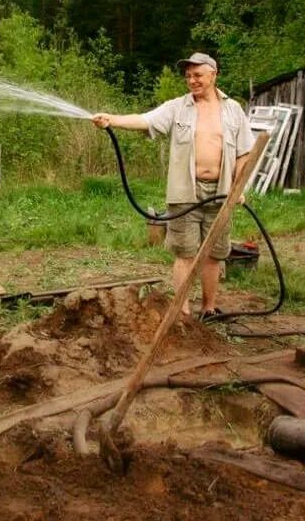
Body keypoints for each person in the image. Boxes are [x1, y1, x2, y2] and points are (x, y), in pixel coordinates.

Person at [91, 52, 255, 320]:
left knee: (214, 254)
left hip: (222, 193)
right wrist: (113, 119)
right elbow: (146, 119)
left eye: (198, 75)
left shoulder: (233, 110)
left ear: (214, 75)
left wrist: (238, 187)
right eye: (188, 76)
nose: (192, 80)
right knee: (185, 253)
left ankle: (209, 308)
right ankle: (182, 313)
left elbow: (244, 152)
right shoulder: (178, 107)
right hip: (185, 194)